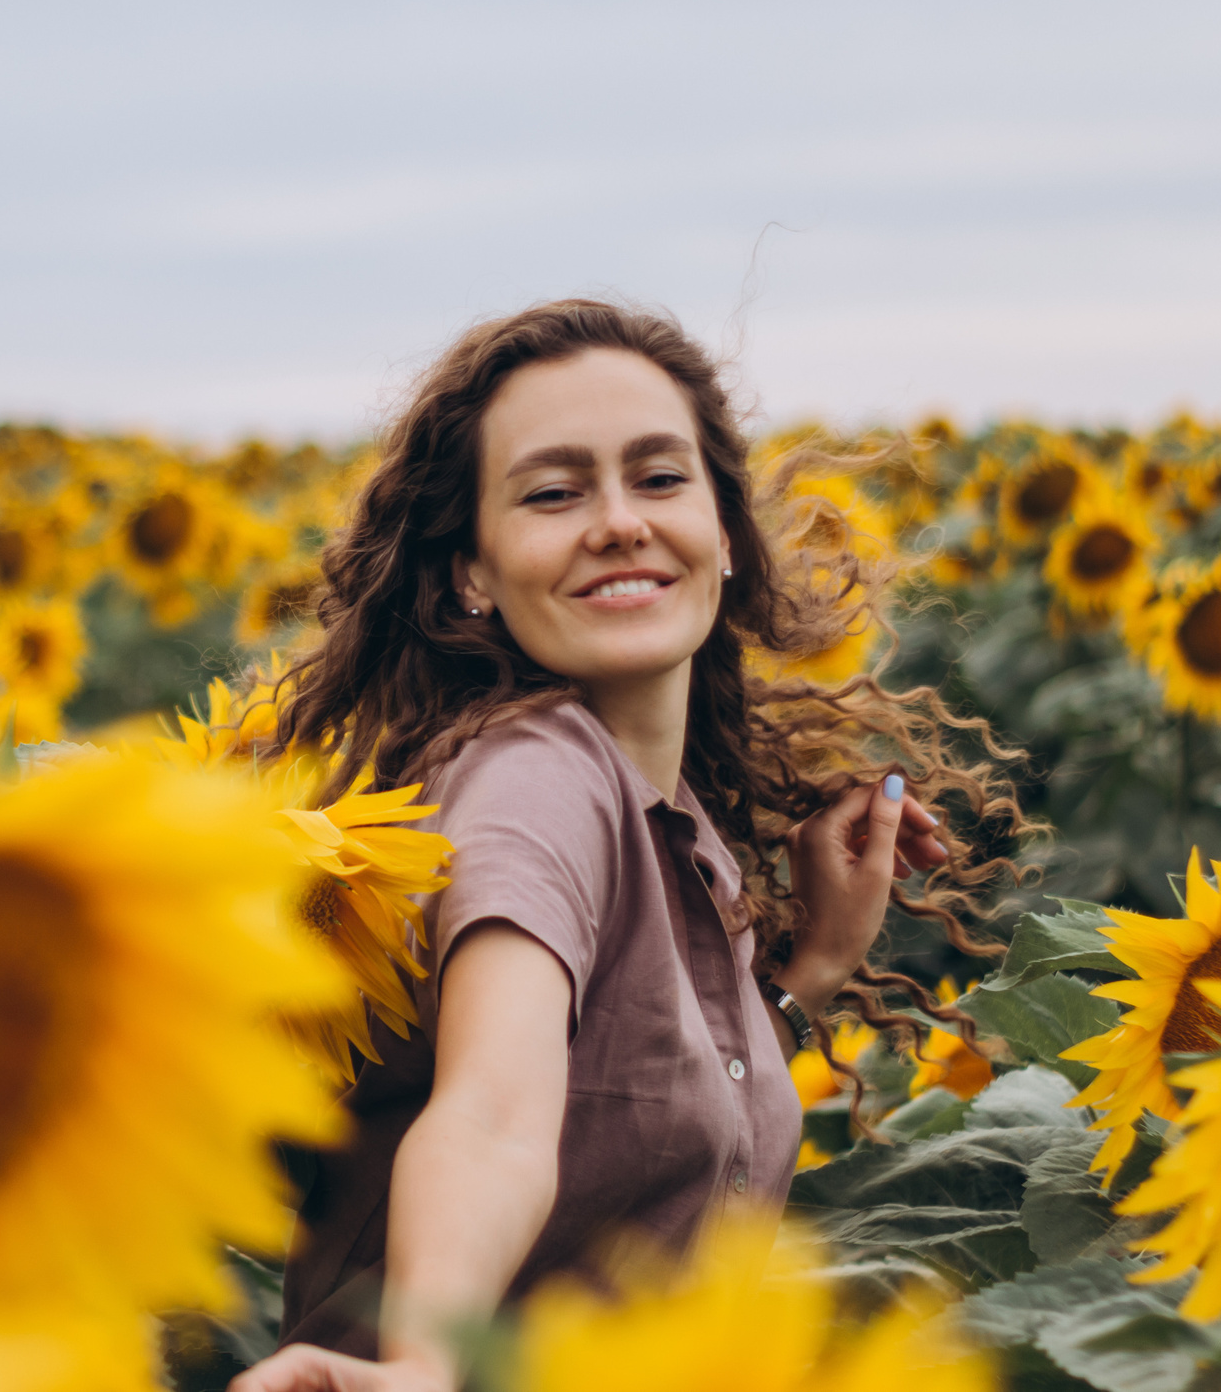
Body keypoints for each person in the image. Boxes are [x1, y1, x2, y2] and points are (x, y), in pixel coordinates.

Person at [231, 299, 1023, 1392]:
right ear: (470, 570)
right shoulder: (538, 774)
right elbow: (495, 1113)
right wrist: (424, 1363)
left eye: (658, 479)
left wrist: (806, 979)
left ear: (726, 536)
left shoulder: (663, 807)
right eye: (553, 494)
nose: (618, 522)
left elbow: (620, 1107)